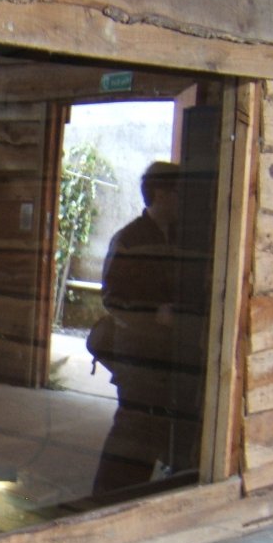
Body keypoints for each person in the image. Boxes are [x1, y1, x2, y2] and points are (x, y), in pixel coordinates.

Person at [89, 161, 209, 495]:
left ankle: (138, 498)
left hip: (173, 355)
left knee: (161, 432)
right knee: (133, 431)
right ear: (161, 193)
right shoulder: (128, 239)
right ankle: (107, 500)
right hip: (138, 355)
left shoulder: (183, 239)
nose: (184, 200)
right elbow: (112, 298)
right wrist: (154, 315)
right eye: (179, 192)